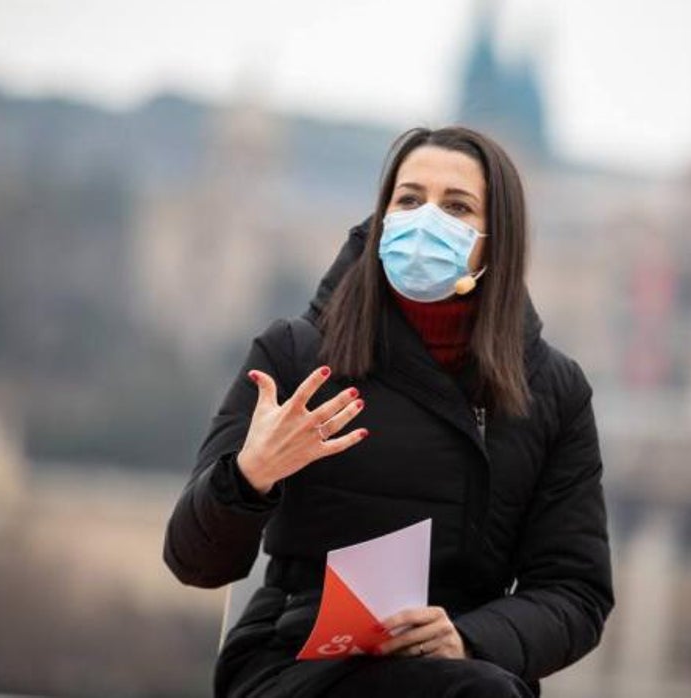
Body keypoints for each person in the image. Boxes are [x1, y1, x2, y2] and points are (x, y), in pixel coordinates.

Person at [164, 126, 613, 697]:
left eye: (456, 206)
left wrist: (470, 637)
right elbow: (191, 560)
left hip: (461, 671)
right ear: (382, 218)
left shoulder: (554, 392)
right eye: (409, 199)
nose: (426, 219)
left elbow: (575, 592)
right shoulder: (296, 354)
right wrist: (249, 476)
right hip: (295, 661)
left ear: (495, 241)